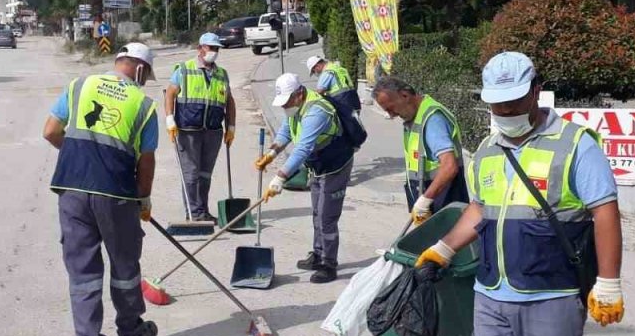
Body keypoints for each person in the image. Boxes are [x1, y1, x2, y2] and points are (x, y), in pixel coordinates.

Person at [414, 52, 624, 336]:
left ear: (536, 93)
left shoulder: (575, 144)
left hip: (552, 294)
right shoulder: (489, 149)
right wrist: (443, 248)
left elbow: (605, 213)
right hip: (491, 295)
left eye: (513, 100)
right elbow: (479, 209)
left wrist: (608, 282)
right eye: (497, 102)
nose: (505, 109)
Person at [43, 43, 161, 336]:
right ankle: (132, 332)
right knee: (124, 265)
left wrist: (79, 156)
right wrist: (143, 198)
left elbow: (50, 131)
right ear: (139, 69)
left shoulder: (80, 86)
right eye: (146, 76)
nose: (145, 82)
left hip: (72, 190)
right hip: (116, 195)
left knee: (83, 270)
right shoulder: (143, 105)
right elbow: (146, 161)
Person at [256, 73, 356, 283]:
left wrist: (280, 178)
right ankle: (318, 254)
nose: (285, 107)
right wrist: (271, 154)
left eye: (287, 102)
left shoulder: (316, 111)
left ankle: (329, 264)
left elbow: (302, 148)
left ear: (299, 94)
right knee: (317, 212)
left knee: (327, 217)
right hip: (318, 164)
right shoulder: (295, 107)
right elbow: (286, 131)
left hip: (335, 164)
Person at [371, 77, 468, 225]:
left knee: (443, 246)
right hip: (431, 200)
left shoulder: (432, 119)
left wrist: (425, 200)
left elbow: (449, 166)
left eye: (391, 108)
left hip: (444, 202)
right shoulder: (415, 118)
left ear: (405, 95)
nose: (391, 115)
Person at [165, 33, 237, 222]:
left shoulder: (222, 74)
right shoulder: (184, 69)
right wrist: (169, 119)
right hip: (188, 130)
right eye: (211, 48)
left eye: (217, 49)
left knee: (205, 174)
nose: (214, 52)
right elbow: (170, 94)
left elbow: (229, 101)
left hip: (213, 131)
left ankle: (202, 210)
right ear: (200, 48)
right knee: (190, 174)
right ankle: (193, 212)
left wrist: (231, 126)